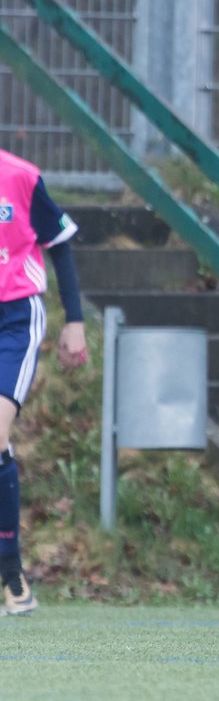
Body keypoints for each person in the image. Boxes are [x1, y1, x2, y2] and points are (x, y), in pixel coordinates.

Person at [0, 148, 89, 616]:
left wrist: (74, 321)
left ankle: (12, 577)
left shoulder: (21, 177)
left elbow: (60, 243)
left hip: (15, 318)